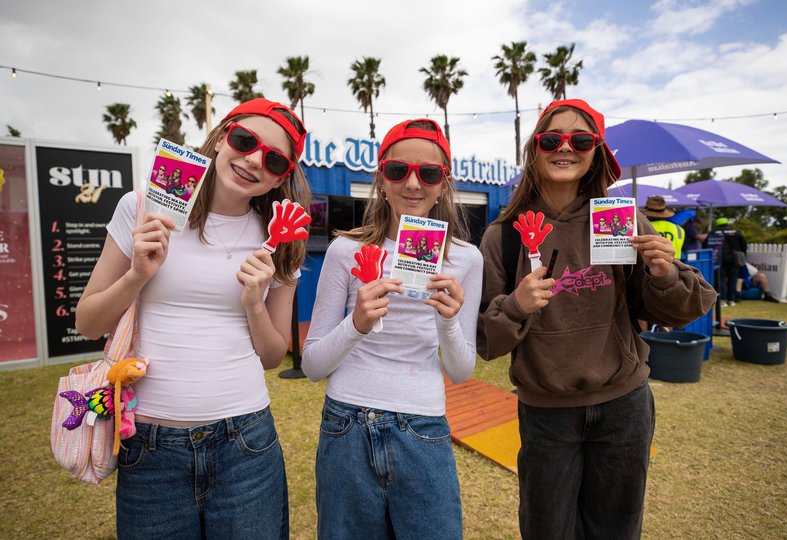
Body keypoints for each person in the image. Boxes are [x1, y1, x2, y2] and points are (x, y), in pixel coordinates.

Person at [476, 98, 715, 539]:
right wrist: (517, 305)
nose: (565, 148)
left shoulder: (621, 221)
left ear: (597, 152)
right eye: (552, 138)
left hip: (623, 405)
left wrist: (664, 272)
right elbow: (486, 342)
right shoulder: (504, 236)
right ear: (535, 148)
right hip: (546, 414)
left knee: (616, 531)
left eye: (580, 139)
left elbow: (679, 311)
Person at [75, 98, 311, 539]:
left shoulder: (281, 237)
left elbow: (273, 355)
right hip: (149, 446)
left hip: (246, 442)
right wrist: (137, 276)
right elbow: (87, 322)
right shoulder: (142, 207)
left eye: (275, 159)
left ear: (283, 176)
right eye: (245, 140)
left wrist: (255, 302)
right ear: (223, 136)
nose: (254, 160)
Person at [302, 118, 482, 539]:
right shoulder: (346, 250)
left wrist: (448, 320)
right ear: (381, 178)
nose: (413, 183)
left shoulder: (466, 260)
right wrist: (357, 324)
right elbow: (311, 365)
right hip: (346, 424)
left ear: (444, 183)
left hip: (424, 426)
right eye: (399, 170)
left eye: (429, 173)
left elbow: (460, 371)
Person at [710, 216, 747, 307]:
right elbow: (744, 245)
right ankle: (731, 300)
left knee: (721, 279)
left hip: (719, 259)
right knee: (733, 280)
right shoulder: (736, 232)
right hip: (734, 259)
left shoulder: (714, 232)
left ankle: (722, 300)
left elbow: (707, 245)